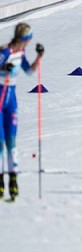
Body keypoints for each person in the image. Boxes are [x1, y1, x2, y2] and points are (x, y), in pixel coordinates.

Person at [0, 24, 43, 201]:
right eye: (29, 38)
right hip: (0, 97)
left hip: (11, 101)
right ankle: (1, 182)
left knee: (12, 142)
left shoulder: (21, 53)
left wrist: (40, 57)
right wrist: (3, 69)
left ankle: (14, 180)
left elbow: (29, 71)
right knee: (0, 142)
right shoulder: (5, 53)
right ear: (24, 39)